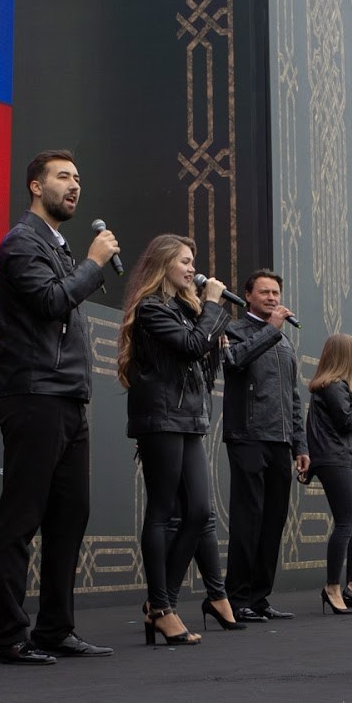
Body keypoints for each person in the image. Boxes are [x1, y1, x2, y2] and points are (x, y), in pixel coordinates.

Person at [0, 151, 120, 666]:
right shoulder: (22, 243)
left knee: (70, 515)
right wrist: (94, 264)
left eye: (78, 178)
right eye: (63, 177)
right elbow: (50, 302)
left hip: (67, 396)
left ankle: (55, 628)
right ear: (35, 186)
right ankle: (9, 637)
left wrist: (85, 263)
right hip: (34, 393)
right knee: (22, 518)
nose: (74, 185)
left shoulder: (59, 247)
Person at [117, 234, 236, 644]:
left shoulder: (185, 311)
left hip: (186, 418)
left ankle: (159, 601)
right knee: (163, 510)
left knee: (200, 511)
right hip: (161, 418)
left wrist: (213, 328)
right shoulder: (151, 308)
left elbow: (201, 357)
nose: (191, 269)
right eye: (184, 261)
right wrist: (215, 307)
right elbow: (189, 347)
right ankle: (162, 607)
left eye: (192, 262)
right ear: (164, 264)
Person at [221, 269, 306, 622]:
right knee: (248, 518)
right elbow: (234, 361)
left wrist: (300, 443)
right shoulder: (233, 330)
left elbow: (294, 398)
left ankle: (259, 597)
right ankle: (236, 599)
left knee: (273, 520)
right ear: (248, 295)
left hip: (280, 441)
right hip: (248, 435)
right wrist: (271, 329)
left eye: (276, 293)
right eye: (265, 292)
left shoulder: (285, 341)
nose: (272, 298)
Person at [305, 334, 352, 615]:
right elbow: (348, 421)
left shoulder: (340, 386)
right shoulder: (333, 386)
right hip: (334, 459)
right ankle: (333, 586)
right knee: (347, 522)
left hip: (342, 458)